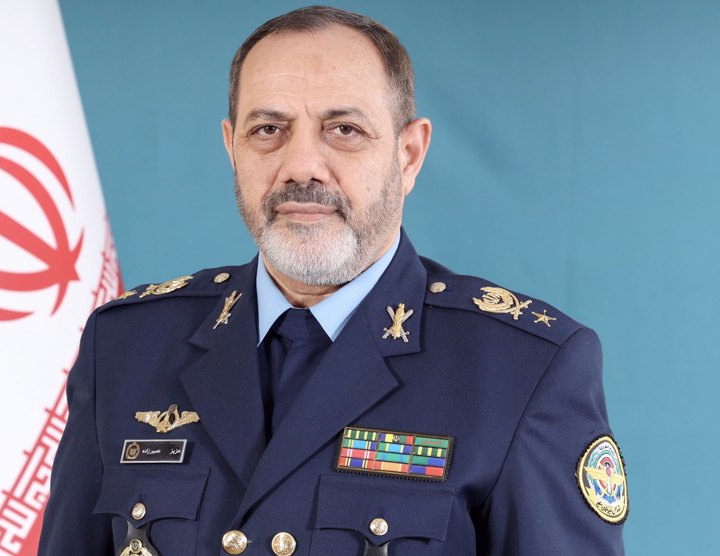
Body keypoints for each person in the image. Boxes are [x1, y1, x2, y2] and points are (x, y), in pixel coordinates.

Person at [38, 6, 626, 555]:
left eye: (343, 129)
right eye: (268, 129)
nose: (300, 166)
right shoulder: (126, 346)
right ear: (231, 147)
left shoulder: (520, 369)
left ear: (409, 154)